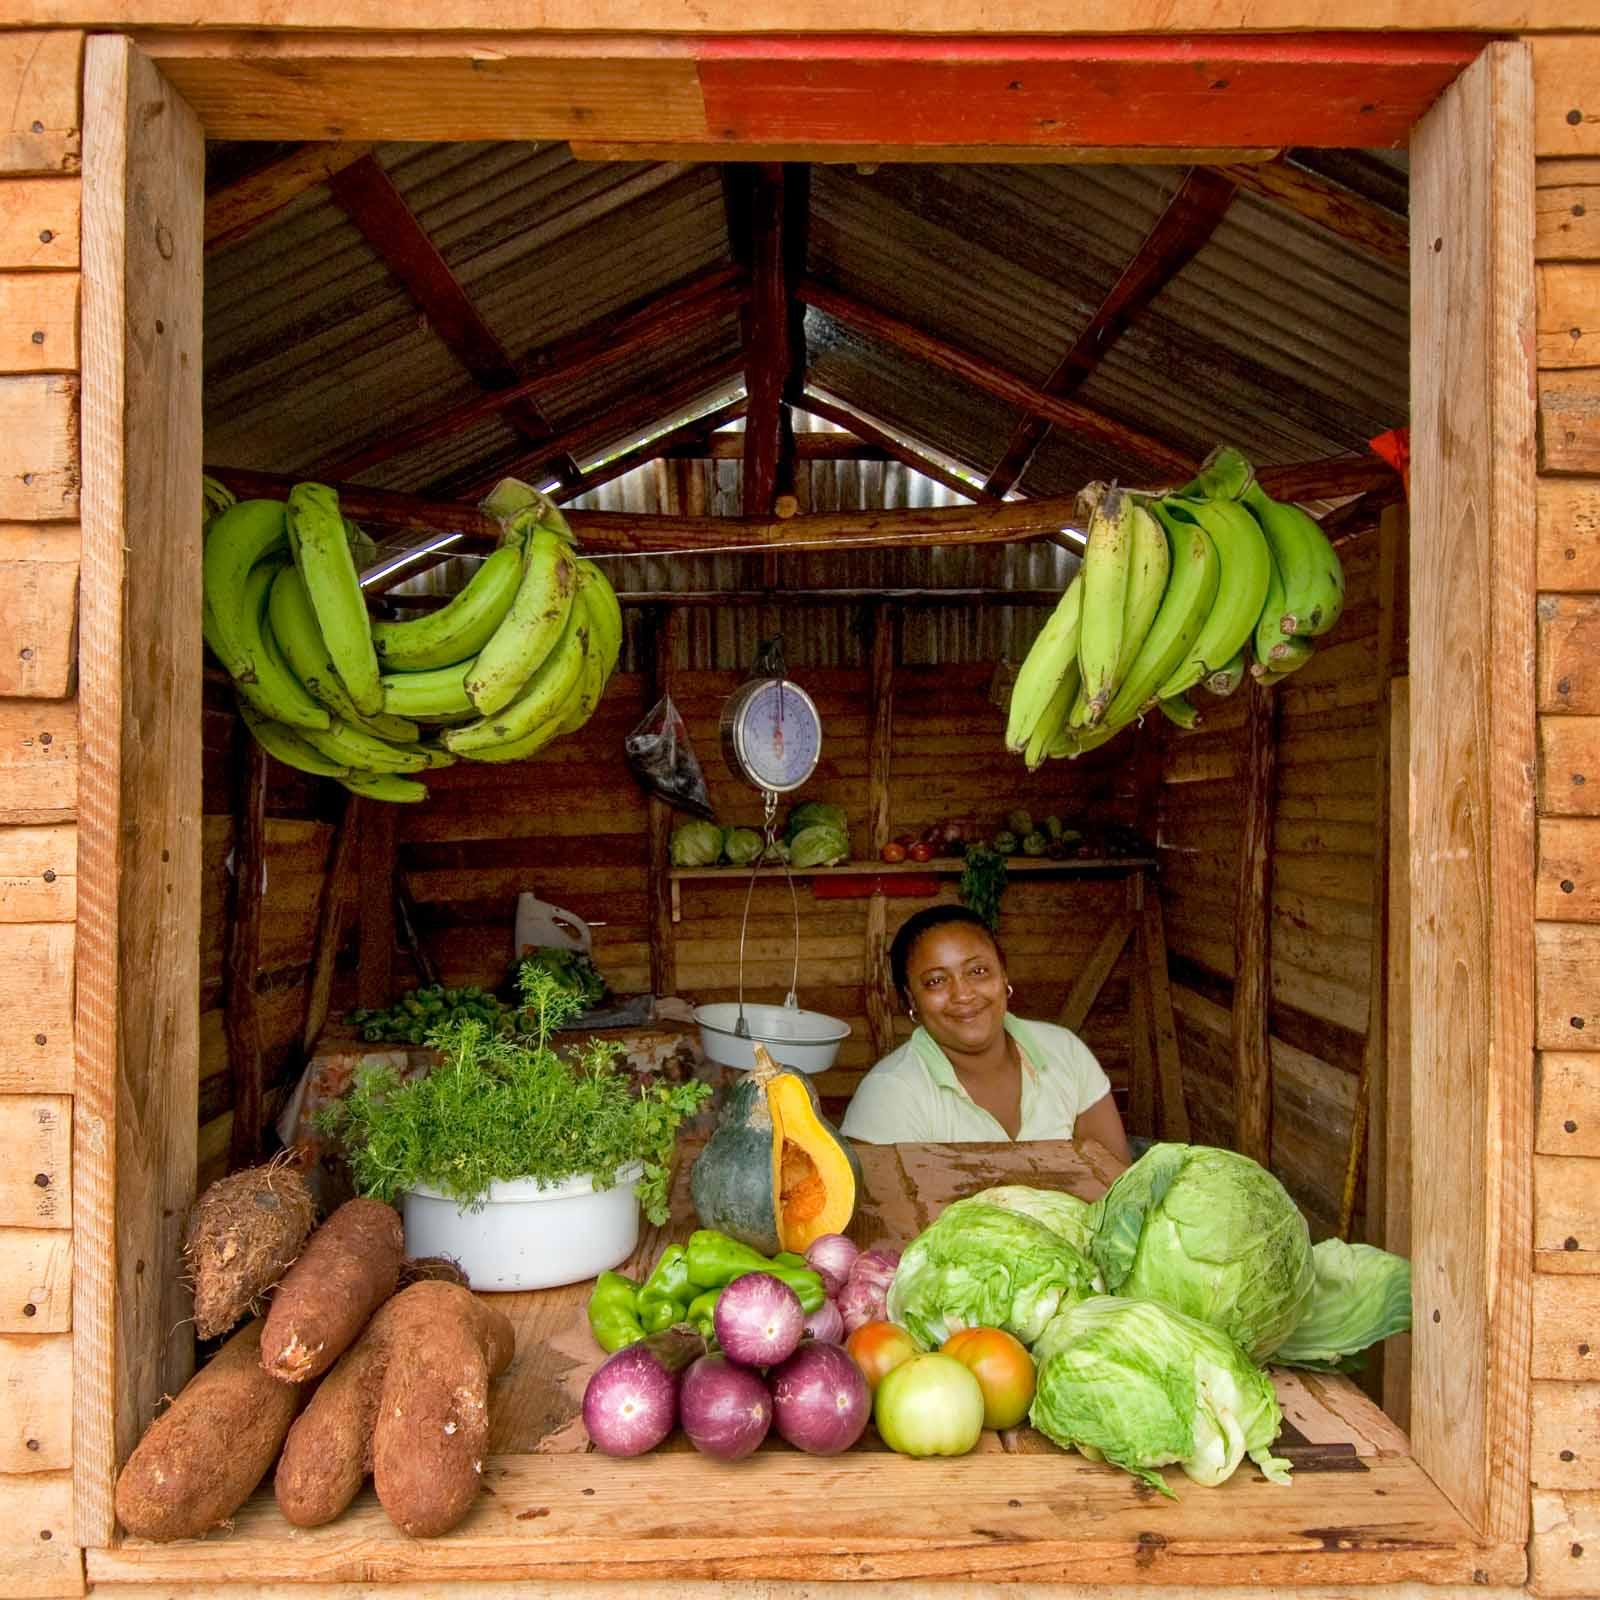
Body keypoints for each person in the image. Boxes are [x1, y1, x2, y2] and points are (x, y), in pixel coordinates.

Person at [840, 903, 1132, 1165]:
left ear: (1003, 976)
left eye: (978, 971)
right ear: (912, 1000)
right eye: (936, 981)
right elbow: (881, 1217)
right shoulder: (890, 1093)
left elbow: (1116, 1182)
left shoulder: (1064, 1051)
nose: (963, 994)